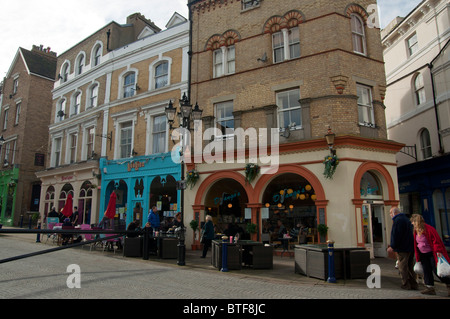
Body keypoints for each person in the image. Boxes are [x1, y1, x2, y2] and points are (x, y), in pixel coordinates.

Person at [410, 214, 450, 296]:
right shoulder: (416, 231)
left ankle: (448, 284)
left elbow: (436, 240)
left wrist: (438, 251)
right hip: (423, 254)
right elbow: (416, 242)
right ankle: (429, 287)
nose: (412, 223)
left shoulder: (428, 229)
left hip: (432, 253)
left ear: (416, 222)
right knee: (426, 270)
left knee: (437, 271)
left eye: (413, 222)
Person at [387, 207, 418, 290]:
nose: (390, 215)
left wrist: (393, 246)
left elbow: (396, 235)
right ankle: (414, 283)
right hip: (410, 247)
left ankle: (406, 284)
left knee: (403, 266)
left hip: (402, 248)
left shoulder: (398, 221)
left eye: (390, 213)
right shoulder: (406, 219)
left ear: (394, 213)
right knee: (410, 266)